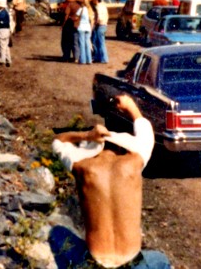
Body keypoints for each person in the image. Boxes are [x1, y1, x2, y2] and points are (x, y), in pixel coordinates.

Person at [50, 95, 171, 268]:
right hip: (132, 264)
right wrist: (130, 106)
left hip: (95, 263)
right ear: (121, 147)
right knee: (160, 259)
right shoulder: (134, 162)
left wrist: (87, 135)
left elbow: (57, 140)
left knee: (56, 232)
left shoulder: (82, 166)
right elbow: (145, 130)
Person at [76, 0, 94, 65]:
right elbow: (92, 19)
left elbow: (77, 17)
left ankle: (83, 60)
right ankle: (89, 60)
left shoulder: (81, 9)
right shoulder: (90, 10)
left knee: (82, 44)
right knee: (87, 44)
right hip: (88, 27)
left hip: (81, 27)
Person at [92, 0, 110, 64]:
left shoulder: (98, 7)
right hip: (103, 24)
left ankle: (104, 58)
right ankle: (99, 57)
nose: (92, 1)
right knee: (97, 42)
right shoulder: (103, 6)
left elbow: (99, 17)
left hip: (100, 25)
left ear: (96, 0)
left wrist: (95, 23)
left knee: (100, 42)